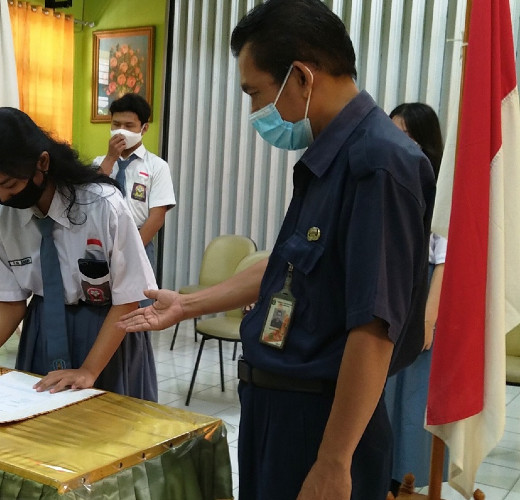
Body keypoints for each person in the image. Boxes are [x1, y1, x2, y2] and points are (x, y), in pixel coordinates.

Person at [119, 1, 436, 498]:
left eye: (255, 93)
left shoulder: (379, 164)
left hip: (321, 423)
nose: (254, 113)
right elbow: (289, 266)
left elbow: (374, 328)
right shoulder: (330, 155)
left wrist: (333, 462)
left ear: (302, 78)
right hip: (281, 411)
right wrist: (187, 304)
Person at [0, 107, 158, 402]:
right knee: (39, 426)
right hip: (43, 330)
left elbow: (128, 298)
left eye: (10, 185)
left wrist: (89, 370)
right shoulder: (2, 217)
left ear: (42, 163)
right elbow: (11, 303)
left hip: (108, 332)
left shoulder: (101, 205)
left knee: (107, 432)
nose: (3, 198)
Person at [385, 102, 447, 494]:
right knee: (383, 395)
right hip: (391, 290)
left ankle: (408, 478)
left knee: (411, 397)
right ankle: (382, 476)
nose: (396, 142)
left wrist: (428, 319)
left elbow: (445, 260)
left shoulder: (442, 190)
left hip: (422, 296)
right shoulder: (391, 178)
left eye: (405, 134)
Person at [93, 93, 176, 271]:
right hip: (101, 242)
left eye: (129, 126)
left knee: (140, 298)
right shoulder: (99, 163)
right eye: (116, 124)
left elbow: (157, 216)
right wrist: (110, 158)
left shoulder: (157, 166)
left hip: (139, 242)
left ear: (144, 128)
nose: (121, 131)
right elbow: (91, 199)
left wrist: (130, 251)